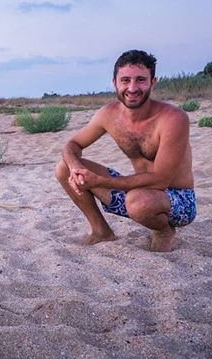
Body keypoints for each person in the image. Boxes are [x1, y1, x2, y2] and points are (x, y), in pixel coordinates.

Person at [55, 50, 195, 252]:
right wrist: (76, 168)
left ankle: (164, 230)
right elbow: (71, 145)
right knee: (64, 168)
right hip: (134, 193)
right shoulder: (109, 114)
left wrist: (100, 182)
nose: (132, 88)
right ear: (114, 82)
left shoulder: (173, 118)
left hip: (177, 199)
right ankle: (101, 231)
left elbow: (160, 180)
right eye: (125, 80)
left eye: (140, 80)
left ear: (153, 82)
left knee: (138, 201)